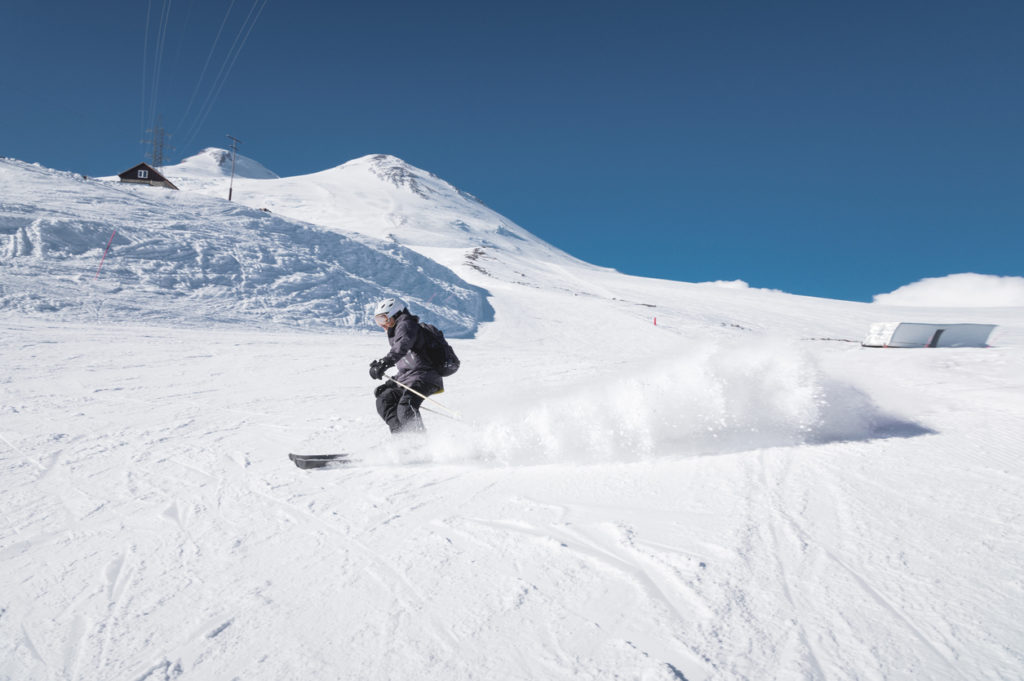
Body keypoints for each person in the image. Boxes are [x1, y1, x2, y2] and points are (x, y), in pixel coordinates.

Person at [368, 298, 443, 434]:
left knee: (406, 405)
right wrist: (390, 384)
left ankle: (419, 443)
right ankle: (402, 440)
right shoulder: (397, 332)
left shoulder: (406, 325)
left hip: (425, 377)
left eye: (384, 319)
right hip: (410, 378)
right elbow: (406, 367)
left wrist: (385, 363)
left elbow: (402, 346)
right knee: (384, 401)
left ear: (395, 315)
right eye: (378, 321)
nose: (382, 325)